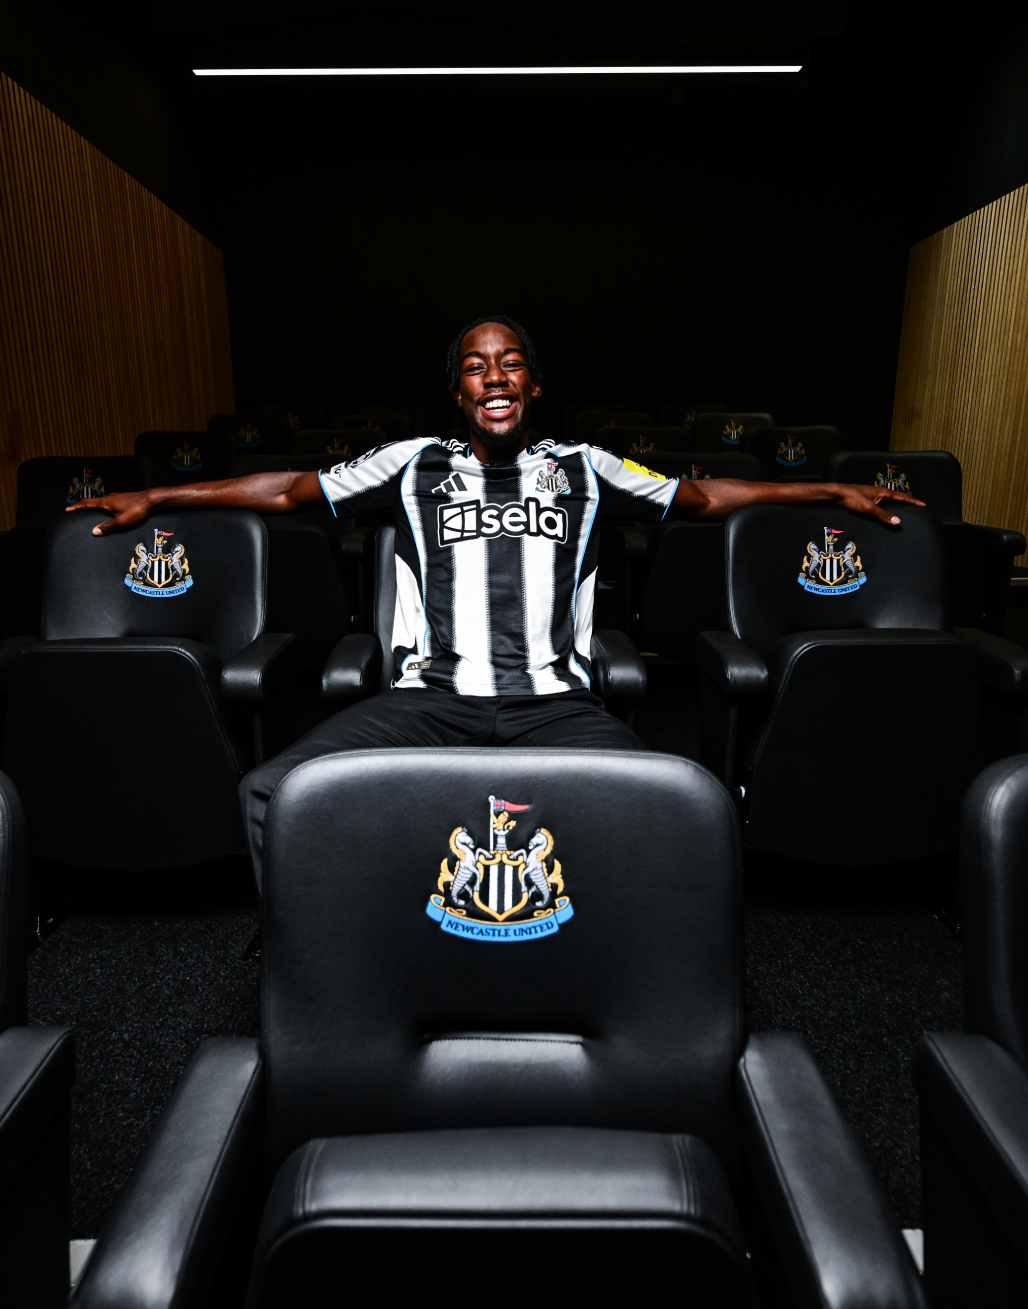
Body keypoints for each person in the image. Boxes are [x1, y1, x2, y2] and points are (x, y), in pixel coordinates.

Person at [69, 315, 923, 884]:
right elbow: (288, 489)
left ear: (534, 387)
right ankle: (324, 962)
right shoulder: (412, 464)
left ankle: (634, 983)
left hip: (554, 705)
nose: (495, 375)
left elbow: (709, 500)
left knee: (687, 807)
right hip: (429, 702)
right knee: (271, 792)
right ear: (460, 395)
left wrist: (825, 490)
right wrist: (164, 499)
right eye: (476, 367)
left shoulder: (586, 466)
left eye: (511, 362)